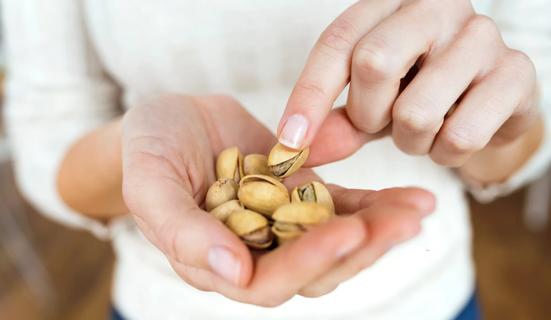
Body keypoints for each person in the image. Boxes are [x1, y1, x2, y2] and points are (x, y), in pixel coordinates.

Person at [3, 0, 550, 319]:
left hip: (429, 301)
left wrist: (493, 126)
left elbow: (530, 109)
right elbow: (50, 133)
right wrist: (139, 150)